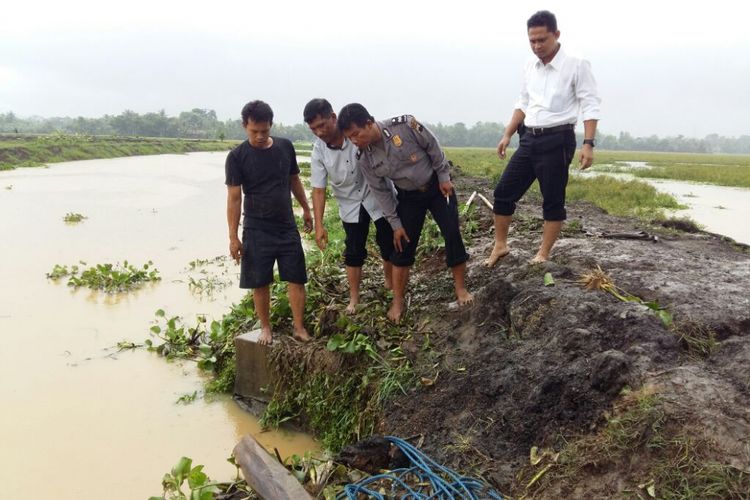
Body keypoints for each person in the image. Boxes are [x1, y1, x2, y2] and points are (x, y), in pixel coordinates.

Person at [338, 103, 473, 323]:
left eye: (356, 134)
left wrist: (444, 177)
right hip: (409, 197)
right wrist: (395, 223)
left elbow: (433, 147)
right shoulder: (365, 158)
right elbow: (380, 192)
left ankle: (461, 289)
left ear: (369, 123)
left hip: (437, 188)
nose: (354, 141)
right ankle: (397, 302)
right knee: (402, 246)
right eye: (349, 138)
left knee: (452, 234)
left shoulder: (406, 126)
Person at [487, 9, 601, 266]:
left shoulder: (576, 63)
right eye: (532, 41)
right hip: (529, 138)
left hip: (558, 140)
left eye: (542, 40)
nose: (536, 46)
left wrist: (588, 144)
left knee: (552, 200)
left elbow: (590, 104)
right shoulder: (530, 65)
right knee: (503, 192)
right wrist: (507, 133)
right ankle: (500, 245)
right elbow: (523, 102)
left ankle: (543, 254)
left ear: (556, 35)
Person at [225, 100, 313, 345]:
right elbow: (234, 198)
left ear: (271, 125)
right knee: (259, 280)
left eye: (265, 130)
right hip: (256, 226)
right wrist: (234, 236)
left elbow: (294, 180)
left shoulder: (285, 147)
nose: (261, 136)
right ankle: (265, 327)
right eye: (255, 132)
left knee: (296, 276)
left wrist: (306, 209)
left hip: (286, 224)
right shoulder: (237, 157)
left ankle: (298, 326)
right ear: (245, 126)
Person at [303, 98, 395, 314]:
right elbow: (318, 189)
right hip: (349, 203)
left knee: (388, 242)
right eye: (313, 128)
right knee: (353, 250)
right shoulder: (318, 151)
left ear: (333, 117)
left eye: (322, 125)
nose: (319, 132)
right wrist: (319, 225)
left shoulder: (354, 135)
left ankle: (390, 284)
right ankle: (354, 299)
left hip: (377, 195)